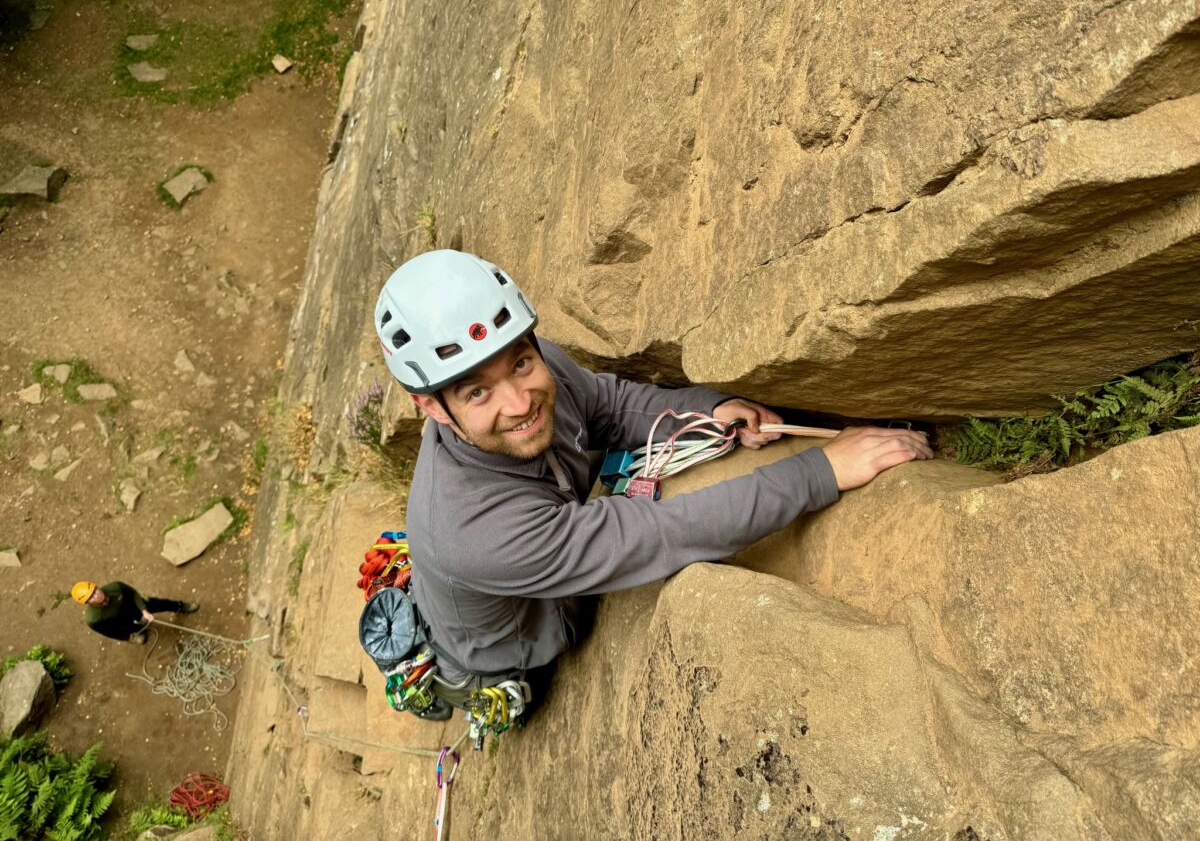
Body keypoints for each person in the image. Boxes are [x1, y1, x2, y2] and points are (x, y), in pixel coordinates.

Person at [373, 250, 932, 716]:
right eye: (477, 393)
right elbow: (661, 533)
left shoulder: (523, 361)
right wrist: (823, 469)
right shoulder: (475, 532)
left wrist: (709, 410)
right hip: (495, 658)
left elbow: (611, 405)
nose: (519, 401)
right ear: (430, 406)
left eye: (521, 364)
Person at [71, 580, 199, 644]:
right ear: (87, 603)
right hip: (122, 621)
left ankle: (180, 606)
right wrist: (128, 637)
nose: (96, 596)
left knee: (161, 603)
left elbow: (133, 594)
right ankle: (139, 632)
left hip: (136, 606)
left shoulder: (115, 587)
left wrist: (144, 610)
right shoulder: (94, 619)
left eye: (95, 591)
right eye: (91, 597)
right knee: (133, 628)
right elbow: (110, 632)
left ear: (97, 587)